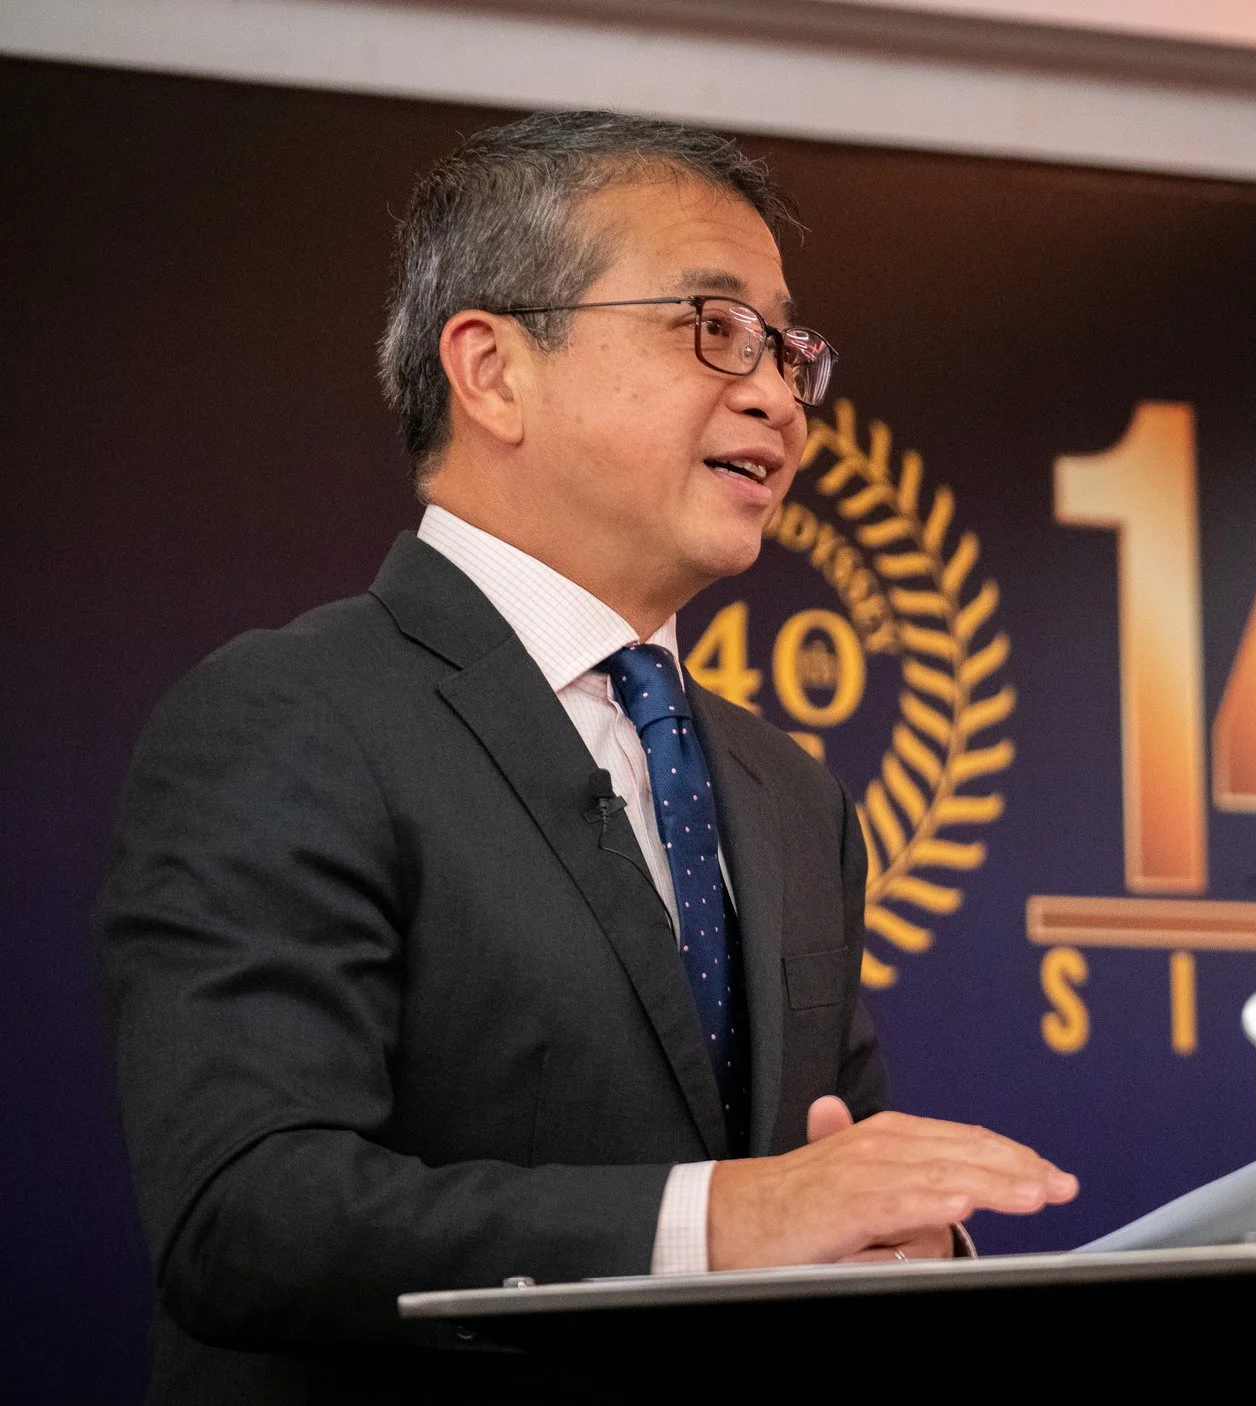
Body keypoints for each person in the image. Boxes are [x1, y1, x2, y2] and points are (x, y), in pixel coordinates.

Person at [95, 111, 1077, 1403]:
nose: (778, 395)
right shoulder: (290, 715)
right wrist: (723, 1221)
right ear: (494, 369)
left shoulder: (790, 794)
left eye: (789, 349)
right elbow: (248, 1219)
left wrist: (901, 1248)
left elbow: (824, 1180)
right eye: (712, 326)